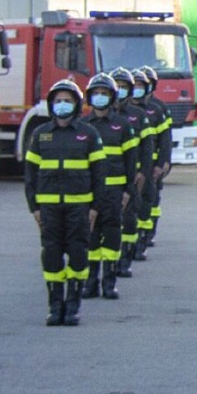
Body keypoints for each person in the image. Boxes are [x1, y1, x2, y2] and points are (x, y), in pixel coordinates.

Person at [23, 78, 104, 326]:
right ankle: (55, 305)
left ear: (77, 104)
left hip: (79, 209)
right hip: (49, 210)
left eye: (67, 101)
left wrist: (94, 209)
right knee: (52, 256)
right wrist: (34, 208)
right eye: (58, 101)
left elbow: (100, 175)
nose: (62, 105)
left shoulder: (88, 134)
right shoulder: (40, 135)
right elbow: (30, 175)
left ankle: (73, 305)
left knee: (79, 255)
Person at [81, 72, 135, 301]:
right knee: (91, 237)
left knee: (112, 235)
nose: (100, 97)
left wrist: (128, 192)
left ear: (112, 97)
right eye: (96, 94)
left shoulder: (122, 125)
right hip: (91, 193)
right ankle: (90, 282)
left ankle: (109, 282)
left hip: (115, 192)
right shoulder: (82, 126)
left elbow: (131, 162)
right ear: (89, 97)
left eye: (104, 94)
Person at [108, 67, 151, 275]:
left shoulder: (138, 115)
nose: (121, 91)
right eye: (117, 87)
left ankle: (125, 260)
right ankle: (108, 263)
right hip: (106, 178)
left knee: (129, 218)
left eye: (125, 87)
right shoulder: (99, 118)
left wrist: (143, 171)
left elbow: (147, 146)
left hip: (131, 176)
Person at [123, 68, 160, 263]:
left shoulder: (151, 111)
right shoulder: (112, 117)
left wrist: (159, 165)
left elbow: (159, 142)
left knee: (145, 204)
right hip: (118, 175)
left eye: (140, 86)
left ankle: (141, 242)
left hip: (143, 170)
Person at [136, 65, 174, 250]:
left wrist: (163, 163)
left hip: (153, 163)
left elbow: (165, 140)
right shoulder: (126, 111)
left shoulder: (158, 108)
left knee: (152, 199)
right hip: (135, 165)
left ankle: (148, 233)